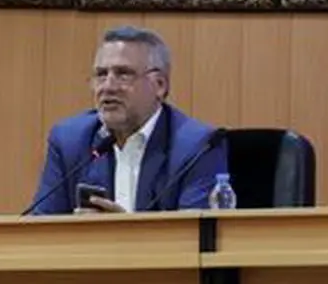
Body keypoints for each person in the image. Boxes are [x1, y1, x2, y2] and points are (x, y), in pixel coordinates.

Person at [29, 26, 227, 215]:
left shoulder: (198, 147)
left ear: (159, 85)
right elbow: (42, 227)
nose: (108, 87)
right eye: (101, 75)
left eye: (123, 74)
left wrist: (124, 231)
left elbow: (196, 234)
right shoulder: (69, 141)